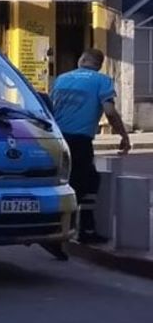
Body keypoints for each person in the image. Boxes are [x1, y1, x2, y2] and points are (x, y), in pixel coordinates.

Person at [49, 48, 130, 246]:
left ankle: (62, 226)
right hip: (80, 141)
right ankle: (81, 229)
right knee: (86, 183)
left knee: (66, 182)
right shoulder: (102, 81)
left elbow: (49, 107)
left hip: (57, 139)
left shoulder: (61, 79)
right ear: (99, 64)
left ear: (81, 60)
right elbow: (110, 111)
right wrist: (124, 136)